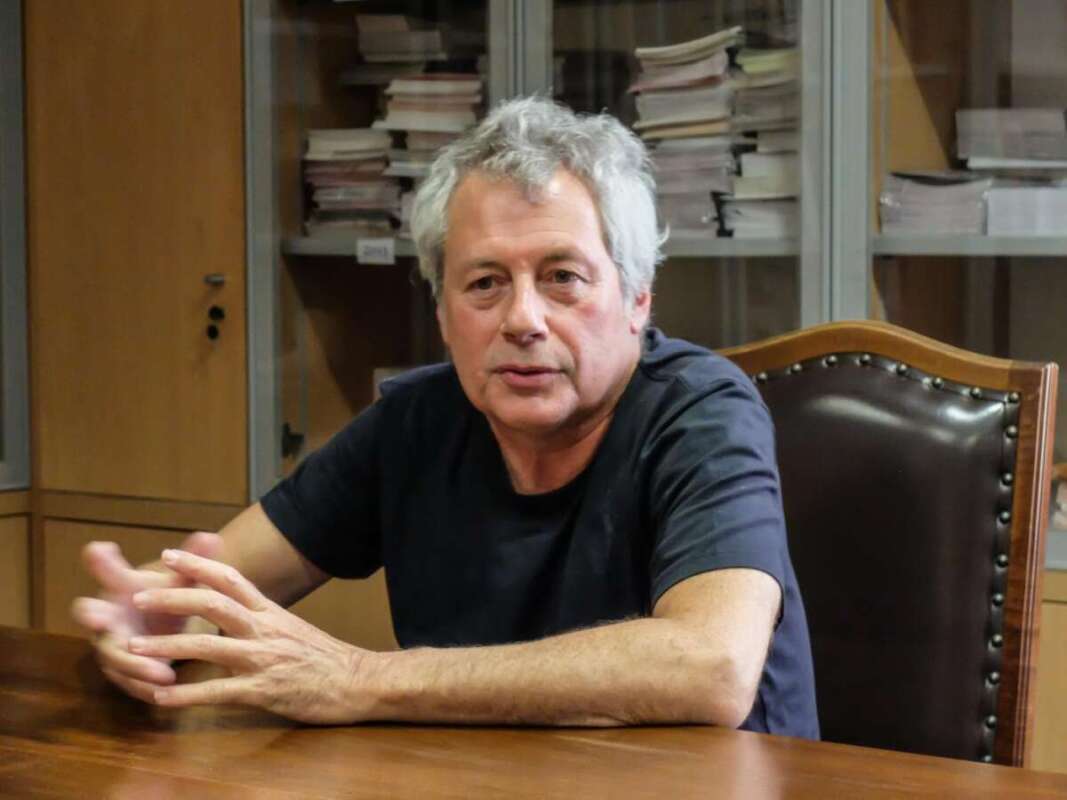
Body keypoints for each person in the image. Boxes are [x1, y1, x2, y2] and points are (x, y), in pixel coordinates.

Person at [73, 96, 819, 736]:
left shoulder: (701, 411)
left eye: (562, 277)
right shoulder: (417, 420)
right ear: (441, 312)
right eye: (485, 283)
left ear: (637, 299)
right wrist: (151, 617)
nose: (522, 319)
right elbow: (213, 582)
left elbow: (710, 667)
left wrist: (360, 679)